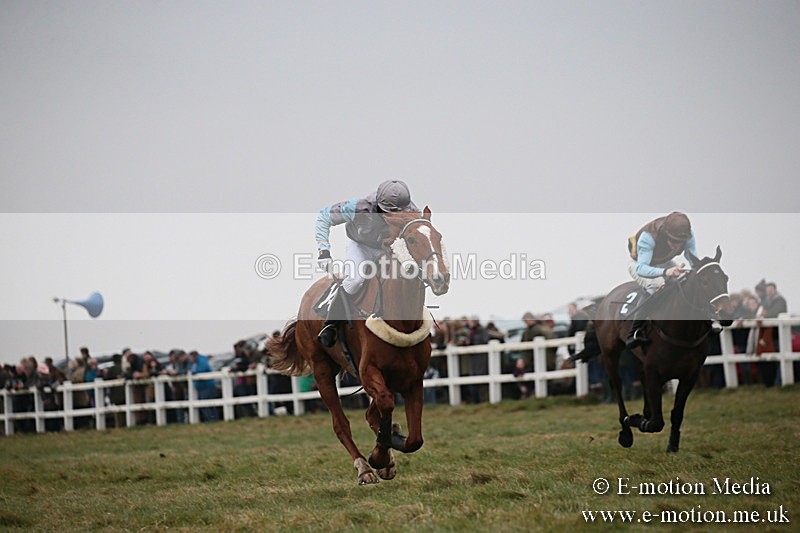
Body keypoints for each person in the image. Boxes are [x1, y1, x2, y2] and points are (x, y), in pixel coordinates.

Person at [314, 179, 420, 347]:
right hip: (361, 245)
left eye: (398, 214)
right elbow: (324, 216)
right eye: (389, 213)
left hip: (389, 247)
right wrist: (324, 251)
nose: (393, 218)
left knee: (409, 277)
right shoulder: (358, 207)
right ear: (378, 206)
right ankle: (331, 324)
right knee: (355, 280)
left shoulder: (413, 211)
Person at [625, 211, 700, 349]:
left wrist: (698, 272)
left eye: (680, 242)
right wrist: (666, 272)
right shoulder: (648, 237)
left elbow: (693, 259)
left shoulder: (688, 235)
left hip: (664, 262)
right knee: (657, 284)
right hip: (639, 265)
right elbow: (641, 268)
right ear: (665, 234)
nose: (677, 246)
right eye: (674, 241)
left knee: (686, 280)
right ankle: (634, 331)